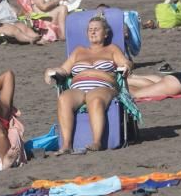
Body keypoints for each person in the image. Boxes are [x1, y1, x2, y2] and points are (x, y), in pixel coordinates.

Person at [44, 14, 131, 154]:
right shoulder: (79, 51)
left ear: (106, 33)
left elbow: (125, 63)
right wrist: (51, 70)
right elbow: (64, 70)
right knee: (64, 99)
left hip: (103, 86)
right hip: (78, 87)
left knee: (94, 99)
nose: (92, 32)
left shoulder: (112, 49)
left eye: (96, 29)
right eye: (90, 29)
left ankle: (97, 142)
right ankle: (66, 145)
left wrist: (127, 66)